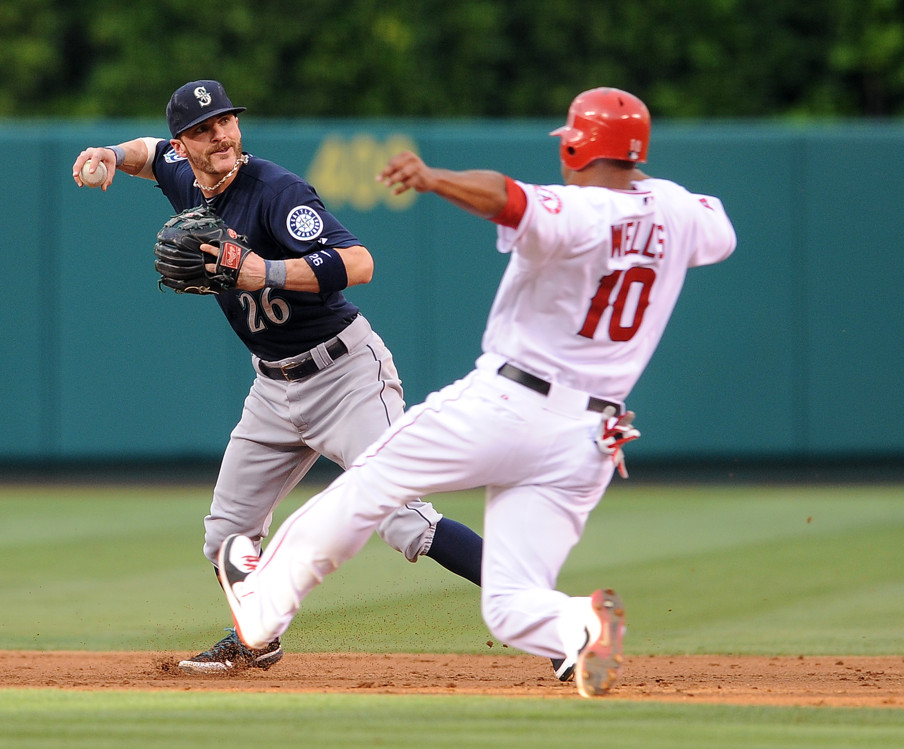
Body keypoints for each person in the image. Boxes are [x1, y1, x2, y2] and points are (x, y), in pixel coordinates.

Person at [213, 87, 737, 697]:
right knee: (511, 604)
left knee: (370, 482)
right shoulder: (680, 210)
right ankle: (578, 627)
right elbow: (715, 231)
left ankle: (262, 604)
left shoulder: (579, 211)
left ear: (575, 144)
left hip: (510, 406)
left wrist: (434, 178)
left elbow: (507, 197)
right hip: (591, 437)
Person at [71, 80, 484, 674]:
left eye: (227, 123)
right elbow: (145, 152)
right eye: (203, 130)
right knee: (226, 538)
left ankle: (541, 610)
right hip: (273, 387)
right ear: (182, 144)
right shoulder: (182, 172)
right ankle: (256, 638)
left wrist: (263, 269)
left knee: (402, 521)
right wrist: (110, 155)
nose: (221, 135)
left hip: (345, 375)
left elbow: (360, 262)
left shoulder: (275, 190)